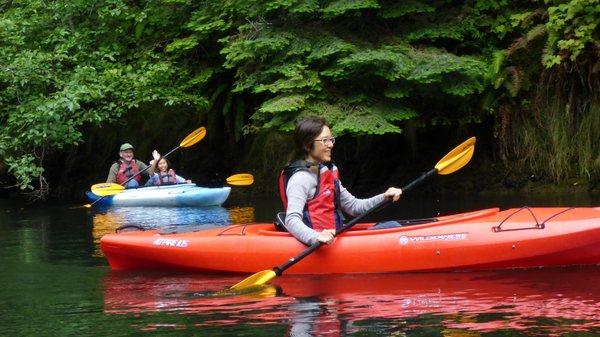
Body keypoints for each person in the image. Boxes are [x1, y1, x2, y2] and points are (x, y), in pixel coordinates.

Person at [279, 117, 402, 245]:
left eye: (331, 139)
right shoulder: (301, 178)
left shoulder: (326, 172)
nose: (331, 145)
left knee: (392, 225)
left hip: (334, 238)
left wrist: (384, 197)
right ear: (307, 145)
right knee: (393, 227)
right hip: (320, 243)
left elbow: (354, 206)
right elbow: (292, 220)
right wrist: (316, 237)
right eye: (324, 140)